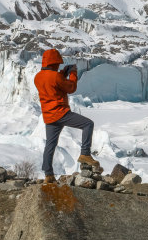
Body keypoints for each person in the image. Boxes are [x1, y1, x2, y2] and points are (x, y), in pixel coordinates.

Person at [34, 49, 101, 184]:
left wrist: (63, 73)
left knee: (50, 144)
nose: (59, 65)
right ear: (53, 63)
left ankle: (48, 174)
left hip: (49, 116)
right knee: (88, 124)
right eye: (57, 63)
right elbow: (71, 87)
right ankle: (85, 154)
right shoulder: (55, 76)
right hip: (61, 113)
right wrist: (73, 74)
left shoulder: (38, 77)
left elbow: (53, 83)